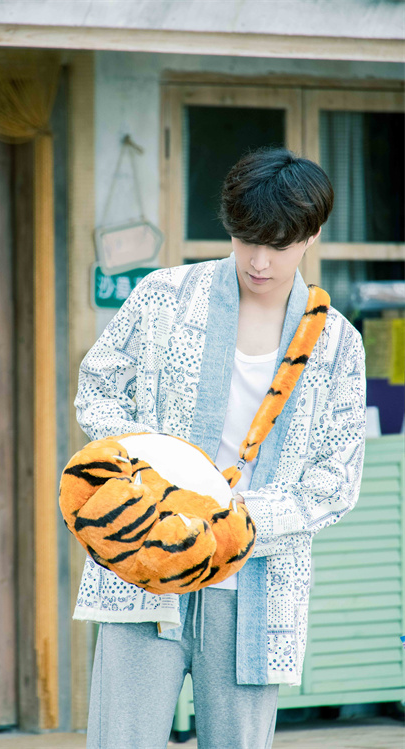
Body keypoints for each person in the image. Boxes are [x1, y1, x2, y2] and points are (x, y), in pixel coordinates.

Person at [73, 147, 366, 749]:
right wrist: (149, 485)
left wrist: (234, 520)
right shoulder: (164, 295)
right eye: (246, 240)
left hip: (257, 584)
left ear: (311, 235)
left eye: (279, 245)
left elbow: (335, 481)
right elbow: (98, 388)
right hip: (142, 563)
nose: (258, 261)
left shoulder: (337, 343)